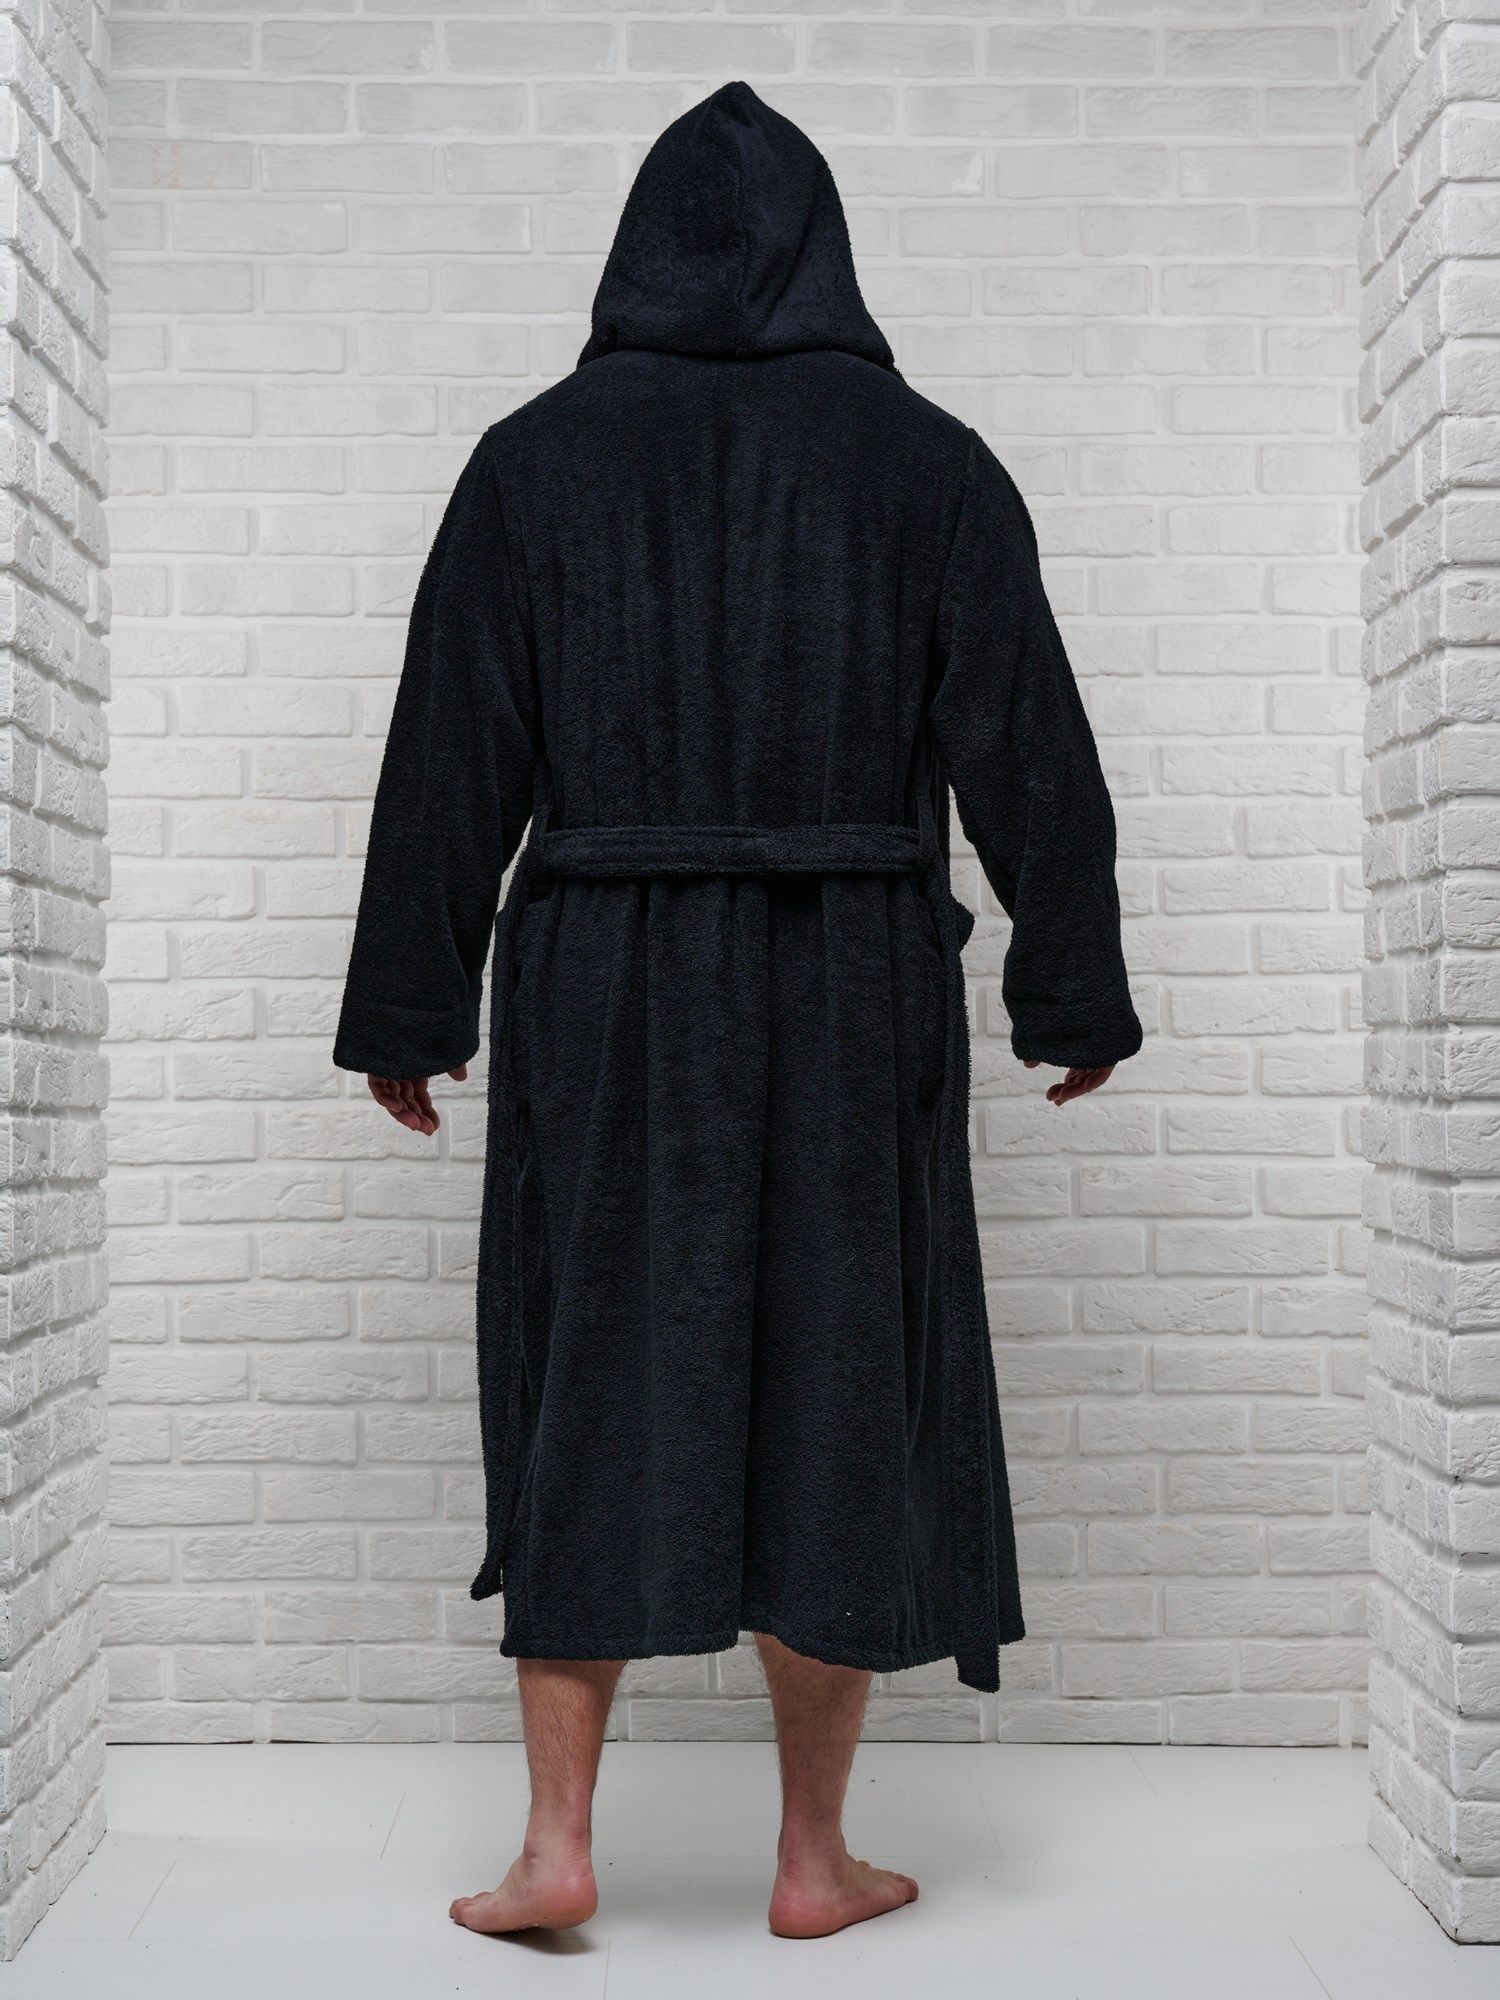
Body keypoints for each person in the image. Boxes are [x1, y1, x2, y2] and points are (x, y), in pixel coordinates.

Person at [333, 82, 1141, 1940]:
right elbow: (1034, 746)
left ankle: (555, 1847)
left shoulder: (533, 460)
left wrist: (410, 1006)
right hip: (851, 982)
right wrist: (1071, 984)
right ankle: (812, 1861)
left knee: (586, 1372)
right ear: (824, 246)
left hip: (603, 983)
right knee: (840, 1380)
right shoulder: (928, 462)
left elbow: (449, 752)